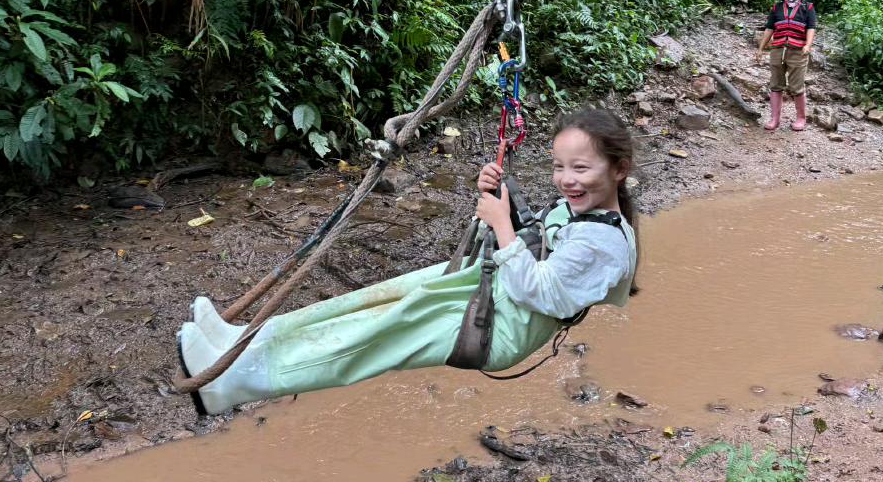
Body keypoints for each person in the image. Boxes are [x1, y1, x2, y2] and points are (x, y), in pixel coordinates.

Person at [177, 108, 639, 415]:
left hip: (499, 325)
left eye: (581, 169)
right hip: (492, 289)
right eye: (560, 167)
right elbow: (537, 242)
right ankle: (241, 342)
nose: (566, 180)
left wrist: (500, 224)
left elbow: (540, 292)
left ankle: (234, 383)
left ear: (619, 170)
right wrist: (505, 202)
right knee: (364, 305)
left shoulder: (606, 245)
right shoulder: (585, 213)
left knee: (375, 335)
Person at [756, 0, 817, 131]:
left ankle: (801, 118)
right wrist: (761, 48)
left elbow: (811, 27)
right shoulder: (776, 7)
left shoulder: (807, 7)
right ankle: (775, 119)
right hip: (778, 49)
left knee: (797, 86)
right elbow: (770, 28)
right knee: (776, 85)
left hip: (798, 51)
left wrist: (808, 45)